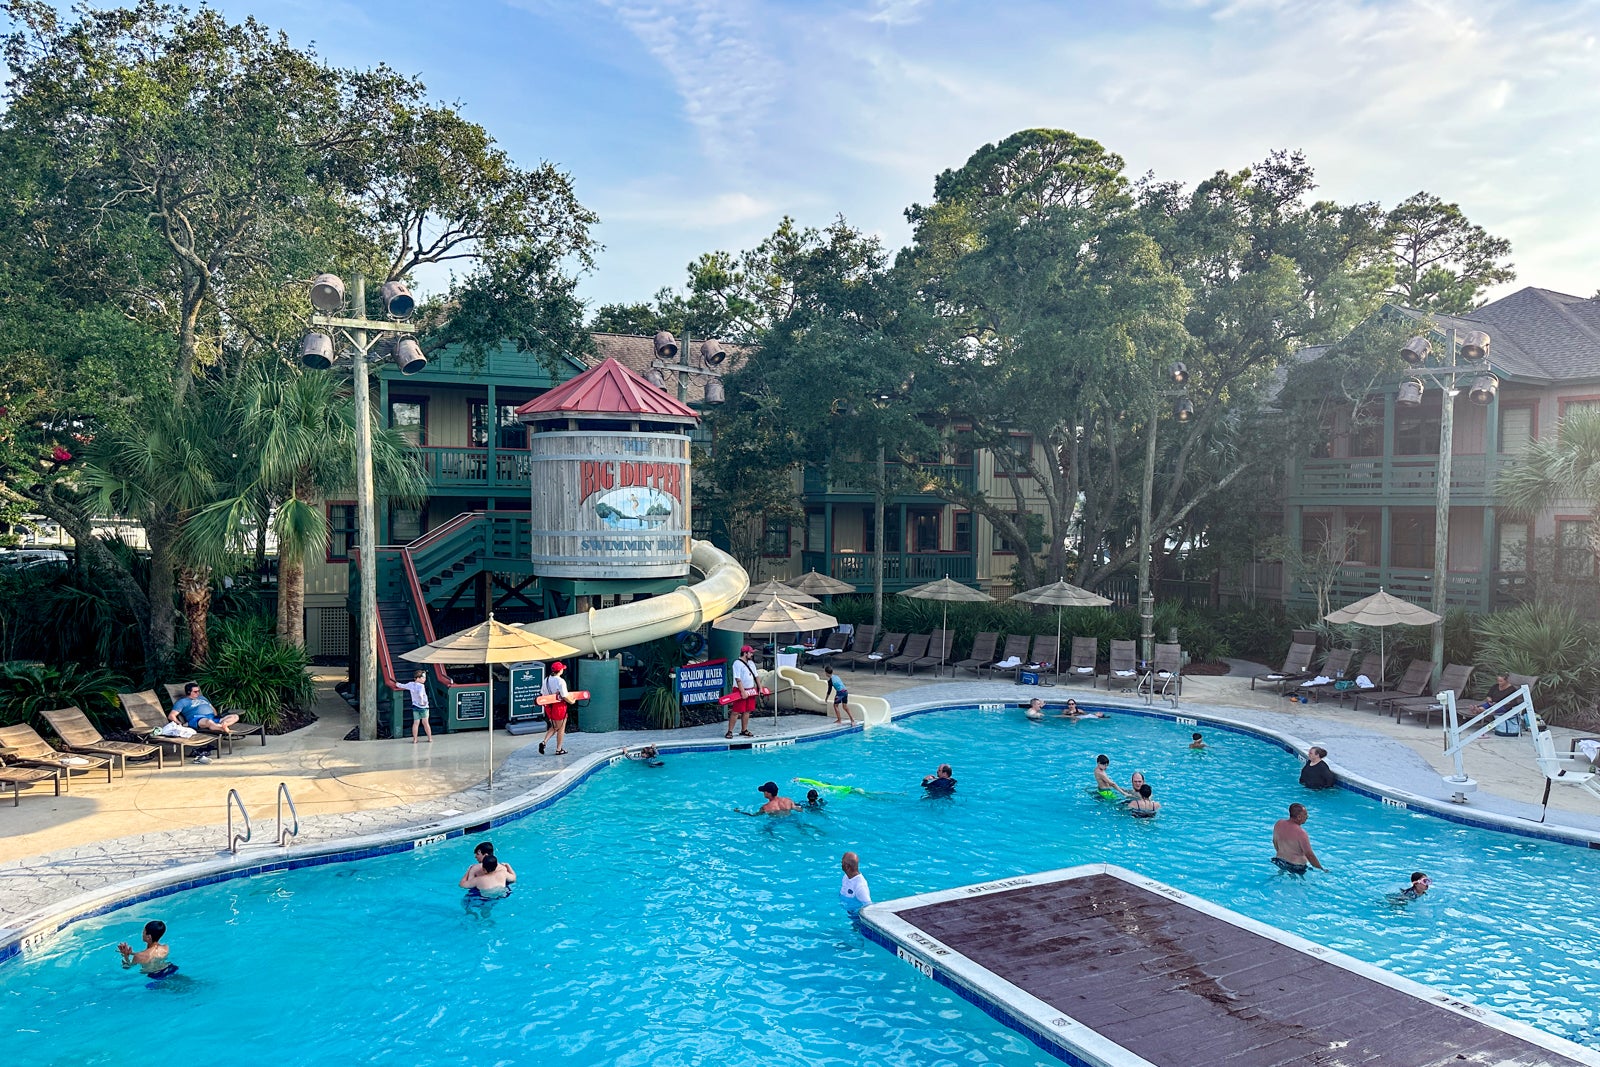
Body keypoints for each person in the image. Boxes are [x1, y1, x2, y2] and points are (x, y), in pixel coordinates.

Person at [170, 682, 240, 737]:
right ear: (188, 692)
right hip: (197, 719)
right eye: (195, 691)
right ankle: (222, 727)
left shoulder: (202, 697)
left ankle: (224, 725)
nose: (198, 693)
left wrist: (217, 716)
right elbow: (171, 716)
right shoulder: (182, 702)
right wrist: (180, 724)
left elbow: (212, 707)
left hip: (212, 717)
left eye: (198, 691)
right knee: (208, 721)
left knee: (235, 716)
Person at [1272, 803, 1324, 874]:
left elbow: (1275, 842)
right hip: (1296, 867)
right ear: (1299, 817)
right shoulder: (1301, 833)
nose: (1307, 817)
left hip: (1279, 861)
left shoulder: (1279, 823)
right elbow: (1309, 854)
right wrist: (1321, 869)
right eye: (1305, 814)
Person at [539, 661, 576, 756]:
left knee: (555, 726)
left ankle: (544, 742)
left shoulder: (546, 679)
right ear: (560, 670)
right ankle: (559, 749)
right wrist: (572, 701)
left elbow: (543, 693)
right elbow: (564, 695)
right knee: (560, 728)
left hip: (548, 705)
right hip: (559, 706)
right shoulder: (560, 681)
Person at [727, 645, 759, 739]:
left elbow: (756, 676)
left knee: (747, 711)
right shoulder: (737, 663)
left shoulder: (751, 663)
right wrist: (742, 691)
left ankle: (744, 729)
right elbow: (738, 679)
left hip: (750, 689)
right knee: (736, 711)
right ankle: (730, 731)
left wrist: (759, 688)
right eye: (750, 653)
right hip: (740, 689)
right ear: (745, 653)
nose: (752, 654)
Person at [401, 670, 432, 744]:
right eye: (423, 677)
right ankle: (430, 738)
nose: (424, 679)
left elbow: (402, 685)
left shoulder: (411, 684)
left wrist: (396, 684)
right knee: (425, 723)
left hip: (415, 706)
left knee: (416, 723)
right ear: (418, 678)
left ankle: (415, 739)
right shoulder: (421, 686)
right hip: (423, 707)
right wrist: (421, 702)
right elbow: (420, 695)